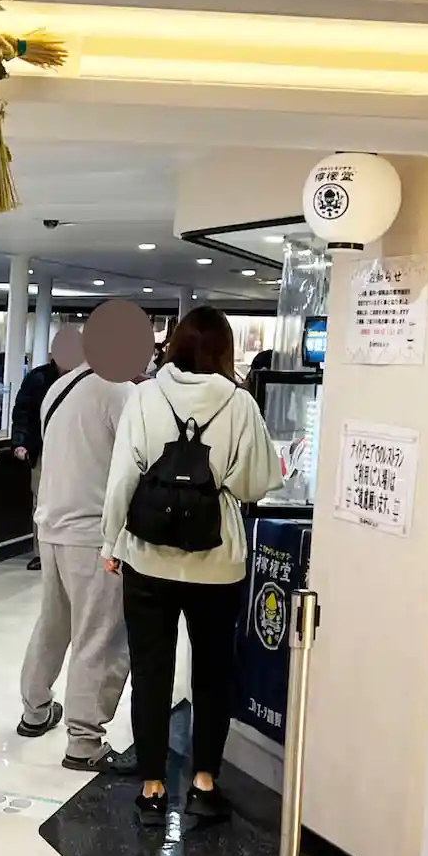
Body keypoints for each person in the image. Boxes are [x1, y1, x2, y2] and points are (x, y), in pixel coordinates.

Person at [101, 306, 280, 828]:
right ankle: (203, 782)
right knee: (213, 676)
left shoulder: (144, 395)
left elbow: (121, 480)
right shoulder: (241, 404)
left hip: (148, 559)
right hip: (216, 564)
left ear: (174, 345)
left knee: (151, 672)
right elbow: (253, 485)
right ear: (224, 350)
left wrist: (110, 543)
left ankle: (153, 788)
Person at [15, 356, 136, 772]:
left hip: (51, 527)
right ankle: (84, 740)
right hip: (93, 536)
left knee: (54, 622)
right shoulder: (119, 390)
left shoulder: (60, 388)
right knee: (98, 634)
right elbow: (138, 458)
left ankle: (35, 708)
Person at [12, 345, 66, 569]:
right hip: (43, 448)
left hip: (74, 447)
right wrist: (21, 442)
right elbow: (24, 412)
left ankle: (62, 551)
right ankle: (41, 551)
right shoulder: (38, 378)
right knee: (41, 500)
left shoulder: (87, 380)